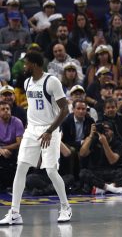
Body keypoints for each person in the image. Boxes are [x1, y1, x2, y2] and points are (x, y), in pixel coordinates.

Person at [0, 51, 72, 225]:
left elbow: (65, 110)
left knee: (51, 171)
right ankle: (15, 212)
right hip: (31, 130)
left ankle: (65, 207)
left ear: (35, 64)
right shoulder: (26, 83)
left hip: (50, 130)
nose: (24, 66)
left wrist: (49, 130)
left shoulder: (51, 81)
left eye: (26, 63)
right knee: (21, 168)